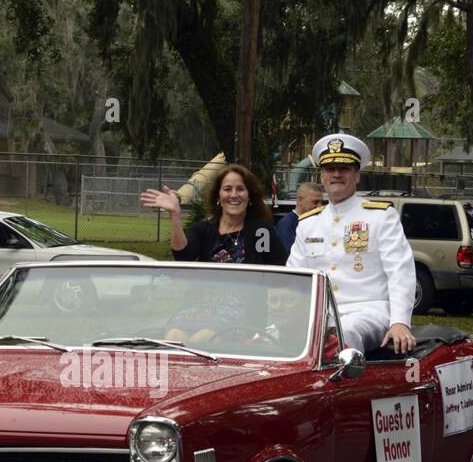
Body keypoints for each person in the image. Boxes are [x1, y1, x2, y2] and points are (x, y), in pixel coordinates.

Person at [286, 132, 416, 354]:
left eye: (344, 169)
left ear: (356, 176)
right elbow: (294, 278)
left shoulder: (380, 216)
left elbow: (400, 272)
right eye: (330, 169)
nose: (336, 174)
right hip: (319, 315)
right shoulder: (309, 223)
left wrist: (400, 321)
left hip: (369, 312)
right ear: (322, 177)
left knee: (344, 333)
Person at [140, 164, 288, 266]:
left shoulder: (261, 232)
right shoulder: (204, 230)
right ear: (218, 196)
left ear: (249, 196)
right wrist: (175, 215)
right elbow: (183, 256)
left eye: (240, 189)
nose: (234, 195)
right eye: (227, 189)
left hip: (248, 308)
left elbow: (278, 270)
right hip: (206, 307)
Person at [275, 182, 325, 250]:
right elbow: (289, 256)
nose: (320, 206)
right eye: (315, 202)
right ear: (300, 200)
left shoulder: (316, 223)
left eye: (321, 203)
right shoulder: (286, 224)